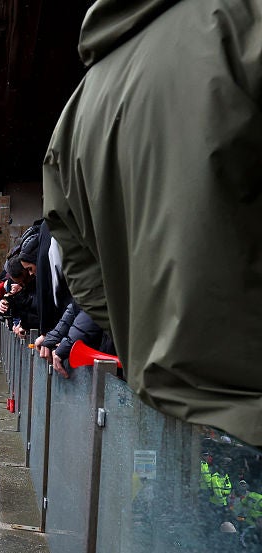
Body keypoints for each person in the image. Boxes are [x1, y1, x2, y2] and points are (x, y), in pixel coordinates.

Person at [43, 0, 262, 446]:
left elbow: (83, 275)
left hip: (168, 400)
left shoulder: (75, 114)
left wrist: (144, 333)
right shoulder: (239, 19)